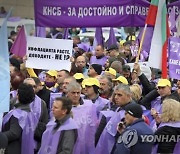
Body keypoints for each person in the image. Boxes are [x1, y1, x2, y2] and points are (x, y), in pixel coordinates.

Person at [2, 83, 37, 154]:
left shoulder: (17, 115)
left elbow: (14, 133)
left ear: (18, 96)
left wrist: (1, 136)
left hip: (13, 149)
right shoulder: (31, 113)